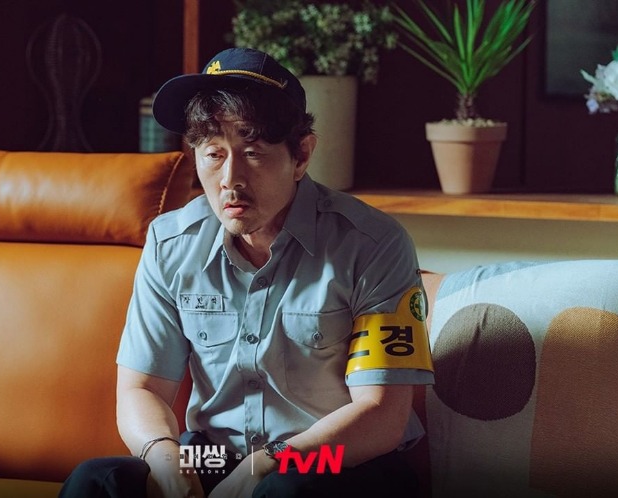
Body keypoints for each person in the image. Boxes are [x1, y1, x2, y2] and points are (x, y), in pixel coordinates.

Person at [59, 47, 434, 498]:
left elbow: (382, 415)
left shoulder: (372, 244)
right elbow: (142, 389)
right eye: (213, 154)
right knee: (97, 482)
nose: (229, 179)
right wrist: (167, 462)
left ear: (301, 155)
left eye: (252, 152)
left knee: (286, 490)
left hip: (334, 459)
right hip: (216, 456)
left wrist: (267, 464)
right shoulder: (170, 243)